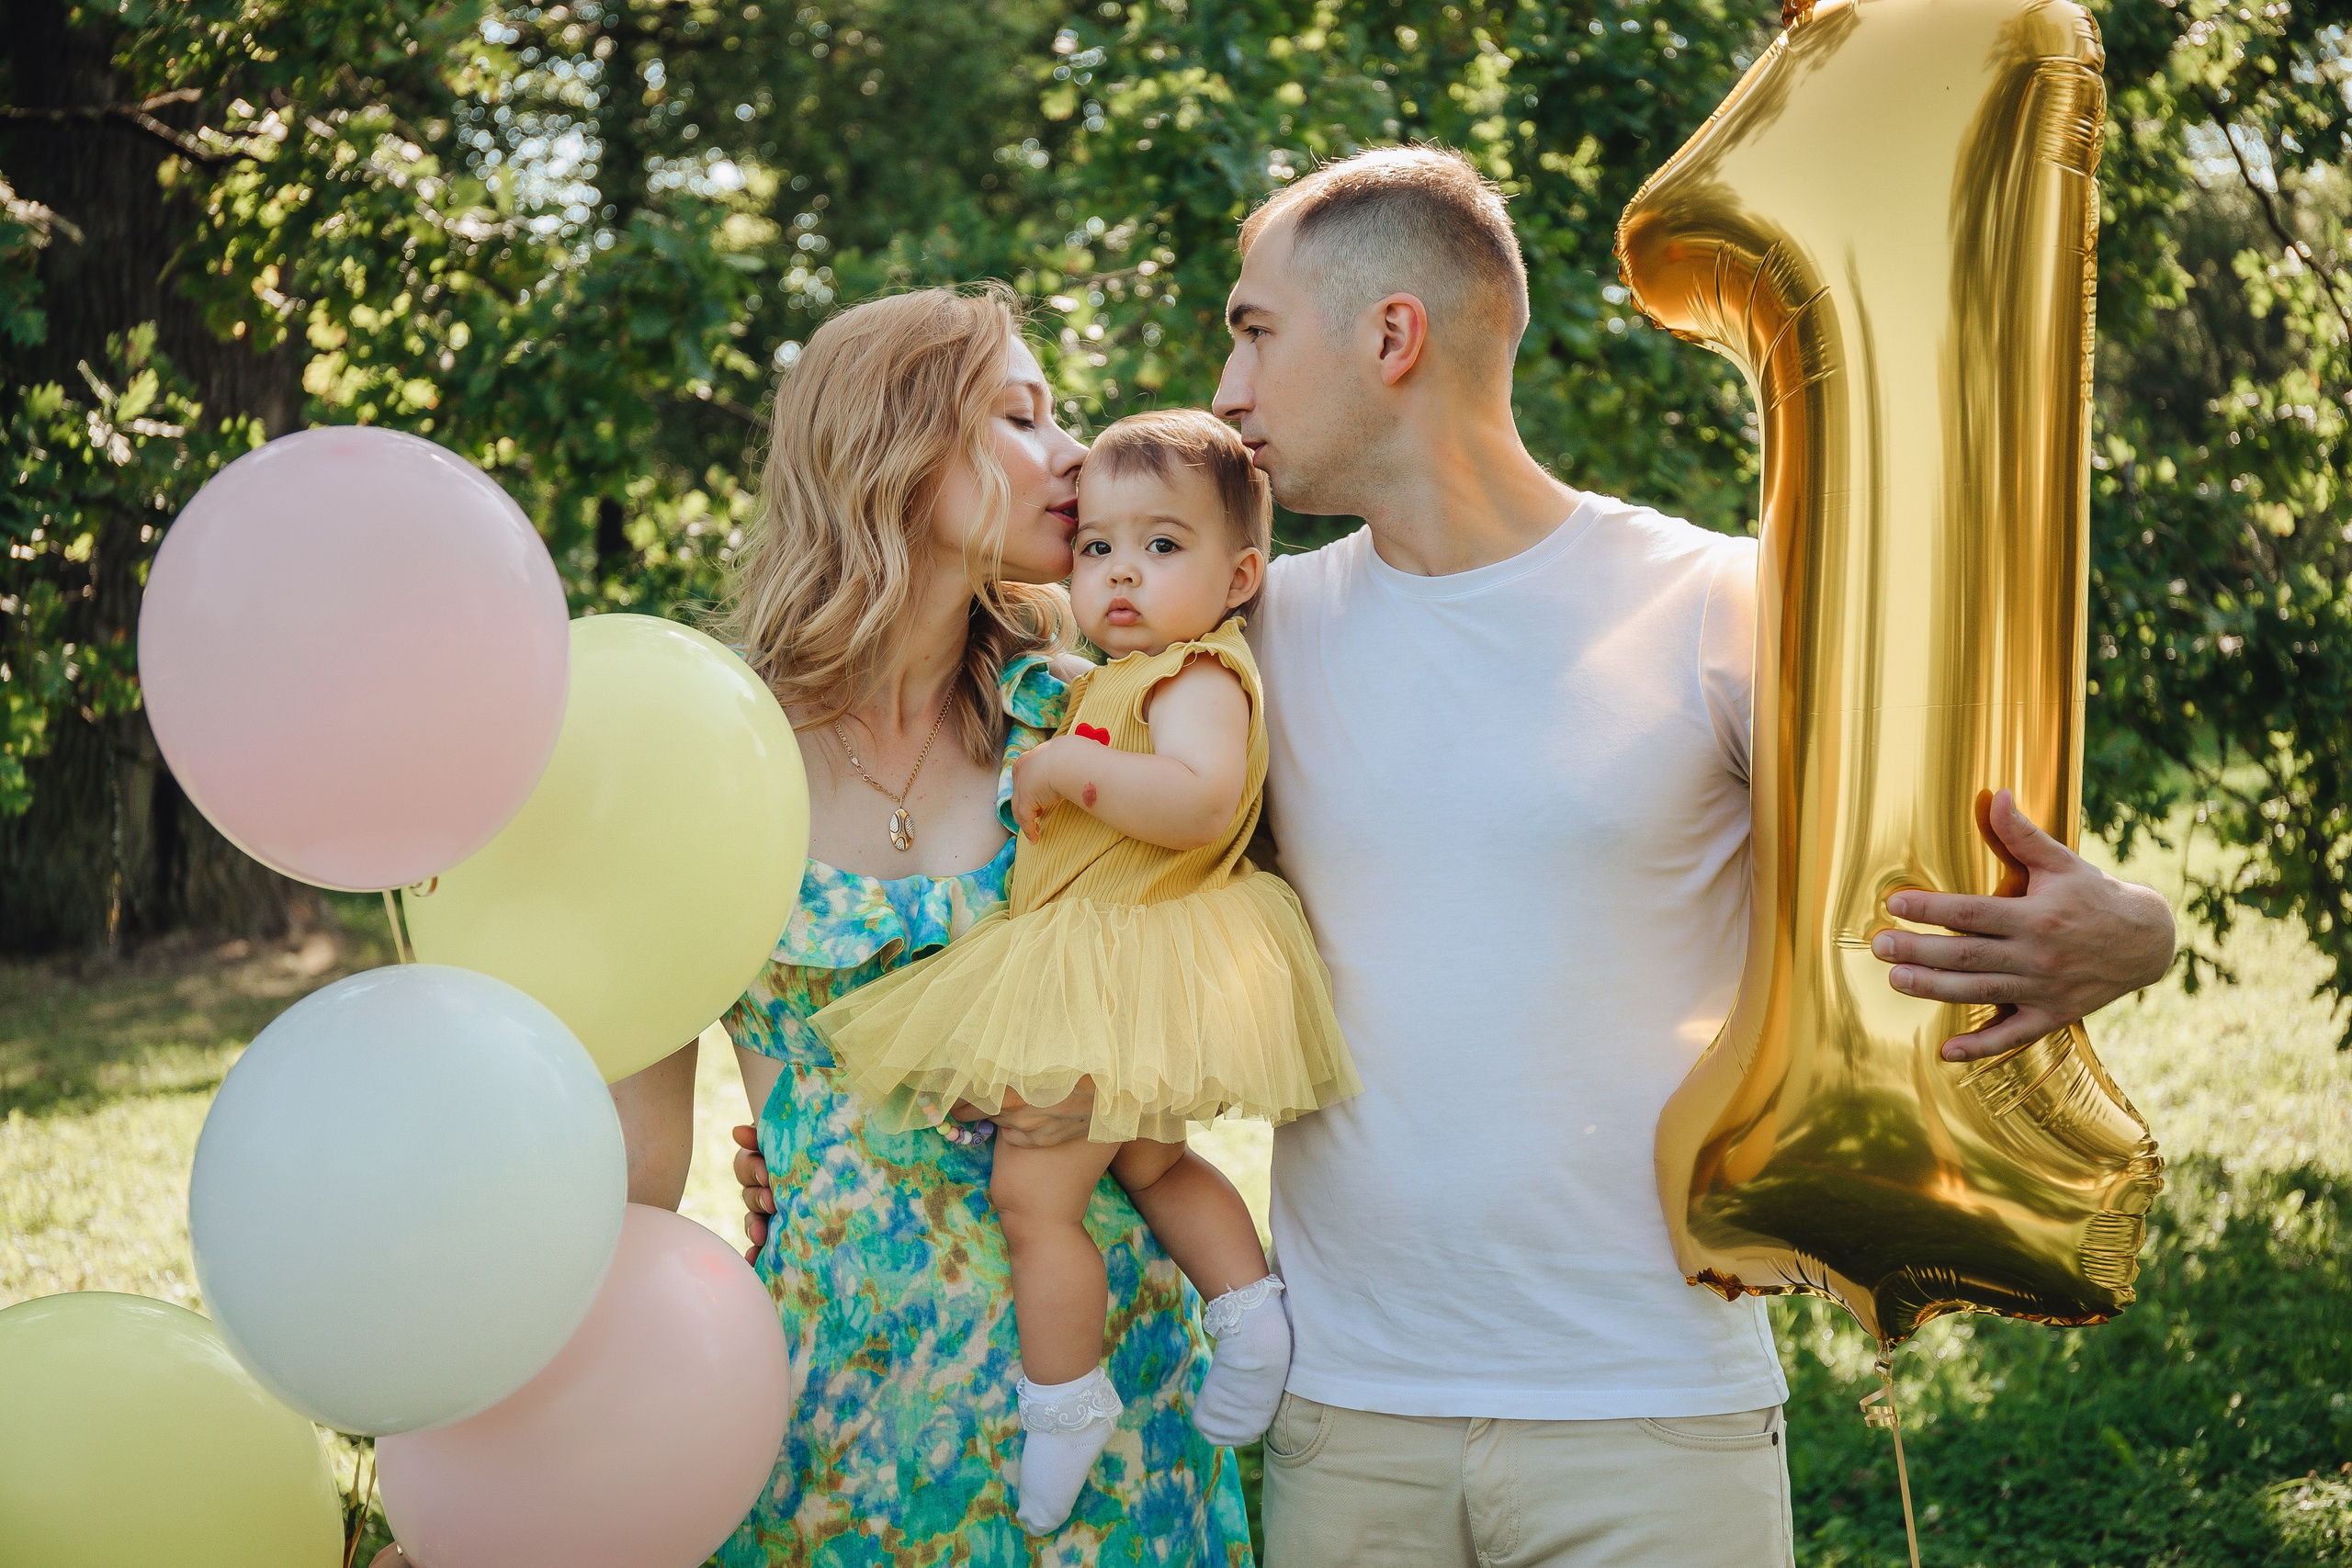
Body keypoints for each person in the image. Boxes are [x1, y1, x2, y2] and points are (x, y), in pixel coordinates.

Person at [741, 148, 2178, 1566]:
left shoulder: (1716, 603)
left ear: (1392, 335)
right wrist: (807, 1142)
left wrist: (2135, 937)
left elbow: (1969, 862)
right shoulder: (1246, 635)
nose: (1224, 393)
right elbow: (1040, 872)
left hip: (1649, 1399)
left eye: (1252, 332)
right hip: (1347, 1410)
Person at [616, 284, 1253, 1565]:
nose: (1074, 454)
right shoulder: (710, 756)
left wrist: (1123, 1088)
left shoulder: (1101, 718)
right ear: (896, 454)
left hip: (1105, 1410)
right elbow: (624, 1187)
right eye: (1022, 416)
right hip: (827, 1413)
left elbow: (1221, 965)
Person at [815, 409, 1360, 1533]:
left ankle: (1063, 1397)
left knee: (1033, 1193)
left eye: (1164, 548)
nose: (1121, 574)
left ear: (1240, 572)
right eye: (1101, 547)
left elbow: (1204, 798)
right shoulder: (1120, 669)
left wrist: (1067, 767)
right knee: (1154, 1164)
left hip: (1127, 949)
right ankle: (1247, 1310)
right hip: (1114, 959)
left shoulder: (1199, 672)